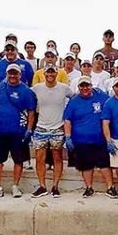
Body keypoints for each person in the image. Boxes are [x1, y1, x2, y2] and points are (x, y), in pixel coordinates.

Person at [0, 64, 36, 199]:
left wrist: (29, 130)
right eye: (10, 73)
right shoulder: (1, 86)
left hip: (17, 131)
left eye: (15, 73)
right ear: (7, 74)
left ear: (20, 75)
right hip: (0, 129)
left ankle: (15, 186)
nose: (12, 76)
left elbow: (31, 112)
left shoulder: (26, 91)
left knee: (18, 160)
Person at [63, 76, 116, 198]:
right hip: (81, 141)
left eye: (87, 85)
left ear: (91, 86)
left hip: (100, 139)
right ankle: (89, 188)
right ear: (78, 87)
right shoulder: (74, 101)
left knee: (104, 165)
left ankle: (110, 187)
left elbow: (112, 107)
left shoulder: (101, 97)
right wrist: (68, 137)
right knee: (86, 165)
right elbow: (67, 120)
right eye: (82, 86)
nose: (85, 88)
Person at [30, 65, 74, 198]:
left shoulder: (64, 88)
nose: (50, 74)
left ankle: (55, 186)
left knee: (57, 158)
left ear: (57, 73)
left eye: (52, 72)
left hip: (58, 128)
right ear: (43, 74)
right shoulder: (37, 88)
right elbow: (24, 95)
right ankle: (42, 186)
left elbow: (75, 98)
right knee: (39, 159)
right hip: (41, 128)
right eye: (47, 72)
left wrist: (69, 115)